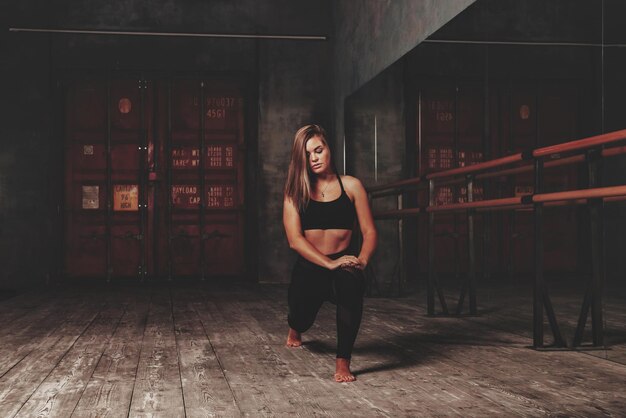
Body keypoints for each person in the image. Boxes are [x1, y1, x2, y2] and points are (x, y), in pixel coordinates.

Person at [283, 124, 377, 382]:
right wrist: (328, 263)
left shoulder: (352, 186)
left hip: (342, 262)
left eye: (318, 150)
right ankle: (295, 327)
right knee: (301, 317)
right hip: (311, 266)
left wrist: (362, 261)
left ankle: (342, 362)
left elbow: (369, 232)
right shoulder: (295, 191)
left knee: (350, 285)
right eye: (307, 154)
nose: (314, 158)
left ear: (328, 148)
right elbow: (295, 240)